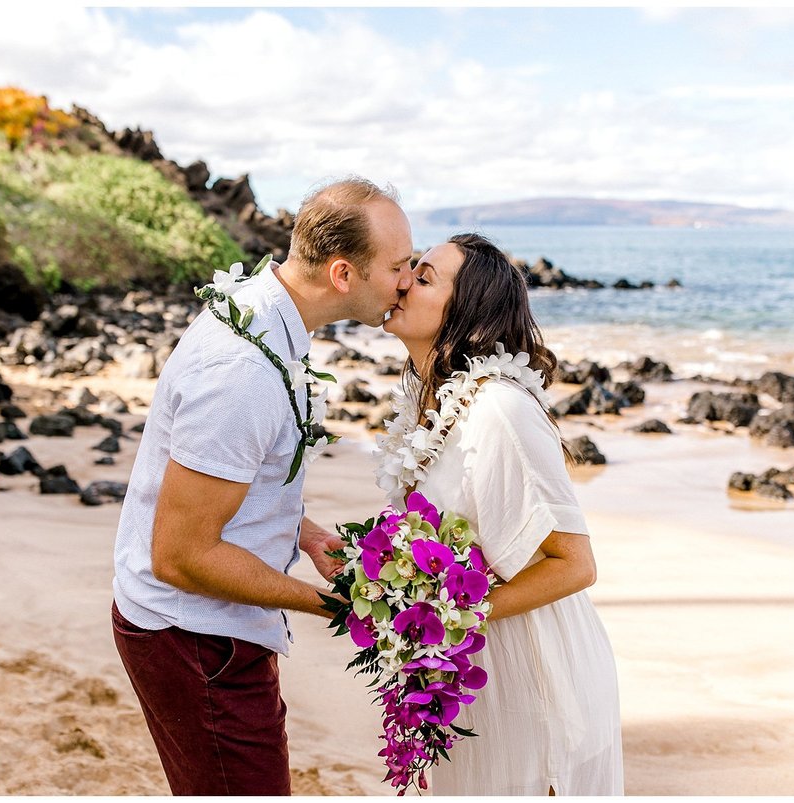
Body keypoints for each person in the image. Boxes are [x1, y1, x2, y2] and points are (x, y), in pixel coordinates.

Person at [111, 176, 414, 795]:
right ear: (342, 274)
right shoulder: (243, 373)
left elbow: (232, 474)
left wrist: (299, 531)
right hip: (193, 635)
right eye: (398, 266)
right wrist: (339, 605)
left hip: (211, 624)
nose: (407, 281)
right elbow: (180, 555)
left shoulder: (268, 315)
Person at [379, 233, 624, 795]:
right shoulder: (429, 403)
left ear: (467, 314)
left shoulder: (499, 409)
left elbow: (574, 564)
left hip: (535, 679)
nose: (401, 282)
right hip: (471, 676)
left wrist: (449, 621)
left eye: (424, 277)